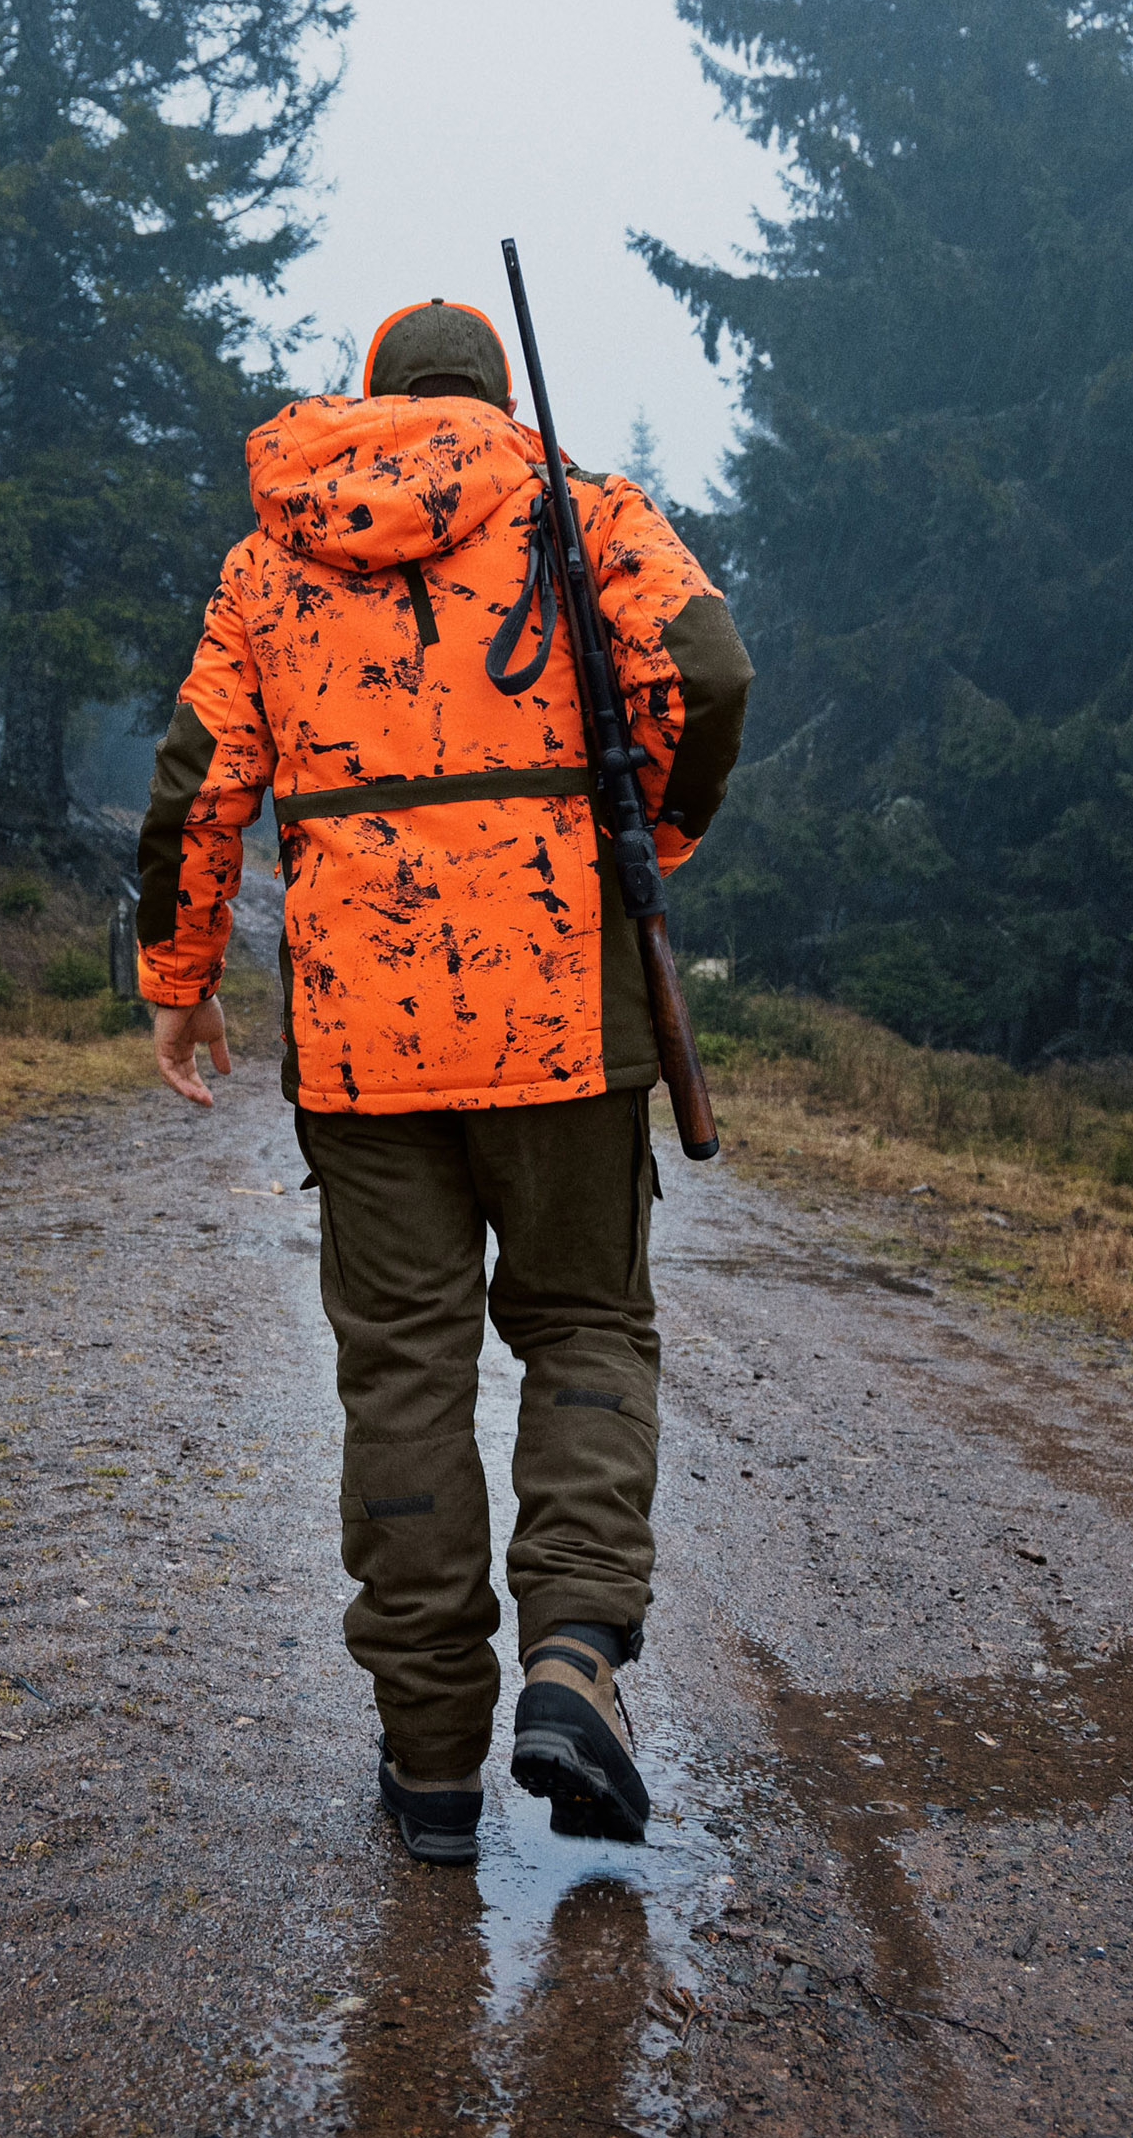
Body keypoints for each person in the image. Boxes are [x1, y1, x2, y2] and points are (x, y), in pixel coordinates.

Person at [136, 297, 752, 1864]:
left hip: (362, 1038)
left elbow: (199, 780)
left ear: (371, 402)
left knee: (403, 1373)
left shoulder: (272, 557)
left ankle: (428, 1772)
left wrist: (181, 979)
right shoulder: (580, 511)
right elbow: (709, 668)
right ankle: (573, 1659)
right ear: (487, 395)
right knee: (585, 1323)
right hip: (561, 1015)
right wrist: (644, 848)